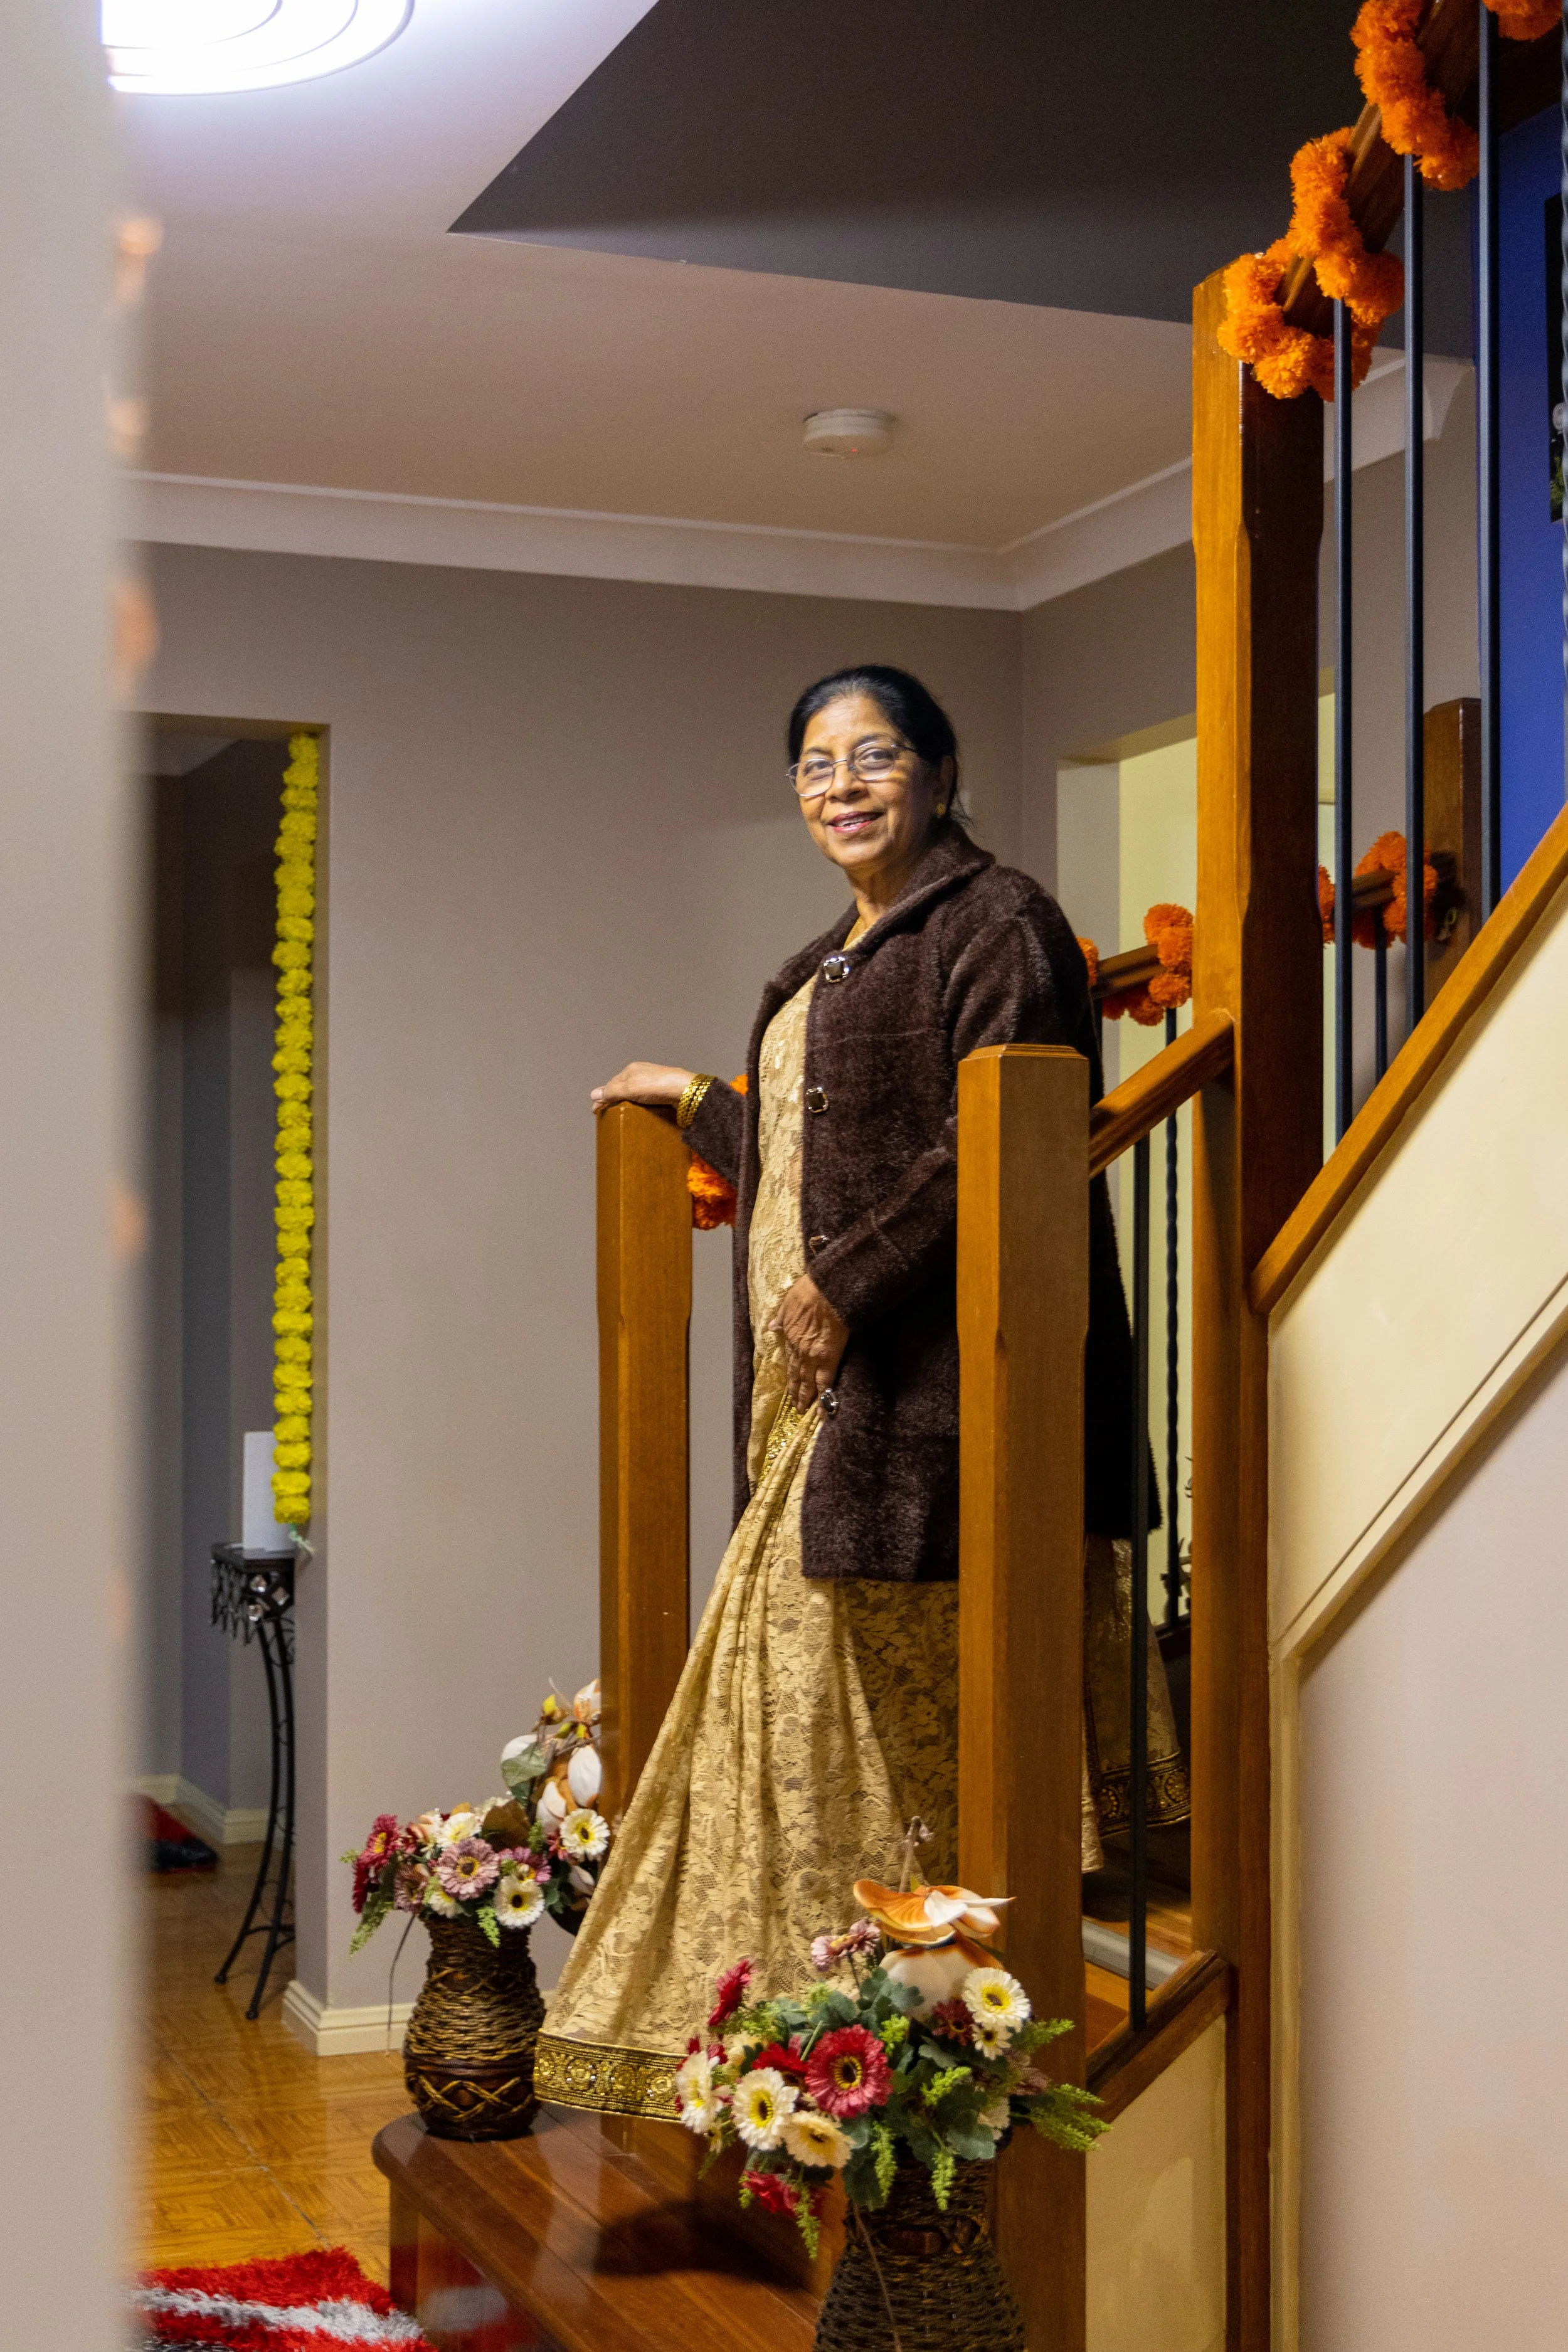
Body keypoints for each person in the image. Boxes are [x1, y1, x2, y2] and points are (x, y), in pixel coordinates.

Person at [534, 665, 1187, 2121]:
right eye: (815, 765)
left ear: (939, 773)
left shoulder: (996, 922)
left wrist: (842, 1286)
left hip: (932, 1411)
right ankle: (795, 2058)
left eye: (873, 756)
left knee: (879, 1745)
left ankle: (891, 2068)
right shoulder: (815, 963)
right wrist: (694, 1099)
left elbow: (993, 1144)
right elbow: (811, 1158)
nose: (840, 785)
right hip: (813, 1416)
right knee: (791, 1732)